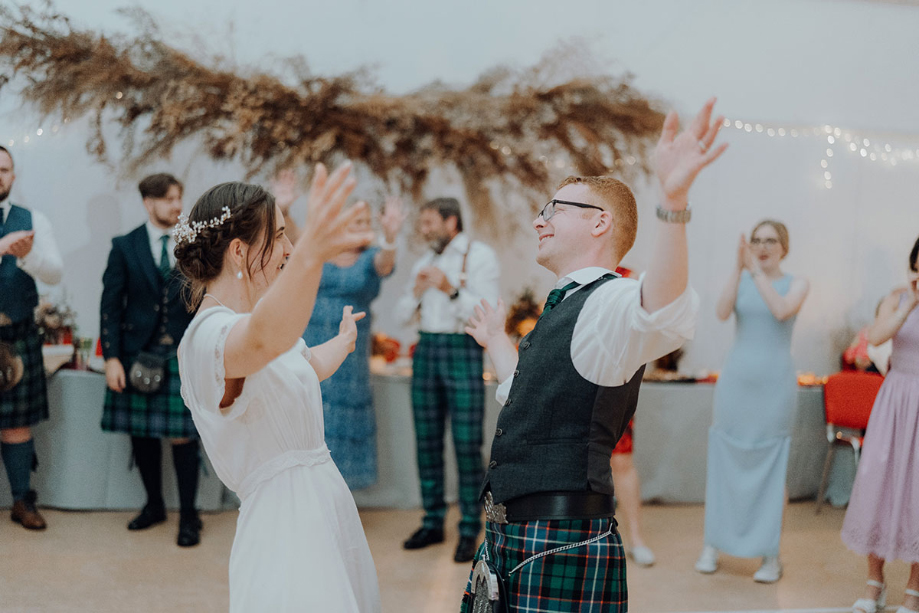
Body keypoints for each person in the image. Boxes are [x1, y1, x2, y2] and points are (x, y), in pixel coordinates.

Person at [460, 99, 726, 612]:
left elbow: (664, 308)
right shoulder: (564, 306)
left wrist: (673, 202)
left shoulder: (610, 300)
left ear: (600, 223)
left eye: (553, 210)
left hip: (558, 539)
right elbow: (524, 394)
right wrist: (496, 340)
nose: (538, 221)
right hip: (513, 537)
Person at [174, 163, 381, 611]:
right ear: (238, 252)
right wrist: (312, 253)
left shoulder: (252, 323)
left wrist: (343, 342)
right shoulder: (207, 337)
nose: (288, 249)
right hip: (284, 524)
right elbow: (266, 339)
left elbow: (304, 367)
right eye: (281, 237)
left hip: (325, 504)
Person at [275, 170, 407, 489]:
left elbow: (386, 263)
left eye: (367, 222)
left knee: (344, 416)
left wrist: (390, 236)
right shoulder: (318, 249)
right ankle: (306, 487)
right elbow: (294, 237)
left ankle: (339, 491)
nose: (363, 228)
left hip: (350, 352)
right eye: (357, 221)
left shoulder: (371, 257)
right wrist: (284, 207)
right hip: (309, 341)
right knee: (310, 408)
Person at [695, 219, 810, 583]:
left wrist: (756, 272)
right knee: (725, 460)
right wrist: (737, 268)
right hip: (736, 384)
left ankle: (770, 555)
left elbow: (781, 310)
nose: (762, 246)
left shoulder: (797, 283)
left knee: (772, 467)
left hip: (775, 387)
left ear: (784, 247)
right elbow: (721, 312)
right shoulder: (743, 279)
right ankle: (713, 544)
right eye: (756, 240)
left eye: (770, 241)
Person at [394, 197, 500, 563]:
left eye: (429, 223)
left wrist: (450, 289)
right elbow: (401, 317)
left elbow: (486, 312)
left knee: (467, 444)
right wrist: (417, 292)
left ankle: (470, 526)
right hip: (426, 351)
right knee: (427, 441)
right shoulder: (424, 262)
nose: (424, 230)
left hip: (462, 350)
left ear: (450, 222)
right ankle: (432, 521)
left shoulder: (480, 256)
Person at [100, 173, 202, 547]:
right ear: (149, 203)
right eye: (169, 199)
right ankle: (154, 505)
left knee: (184, 436)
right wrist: (112, 358)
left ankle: (189, 515)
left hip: (182, 353)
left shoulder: (194, 245)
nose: (178, 206)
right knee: (142, 435)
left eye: (179, 198)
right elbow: (111, 306)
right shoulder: (124, 246)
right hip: (136, 353)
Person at [841, 234, 919, 613]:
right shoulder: (896, 298)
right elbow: (876, 336)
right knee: (878, 484)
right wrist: (910, 304)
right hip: (895, 400)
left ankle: (913, 591)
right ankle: (874, 582)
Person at [0, 145, 63, 530]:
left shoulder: (33, 220)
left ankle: (22, 500)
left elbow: (55, 273)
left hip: (16, 336)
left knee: (16, 425)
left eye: (4, 169)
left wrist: (26, 256)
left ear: (13, 175)